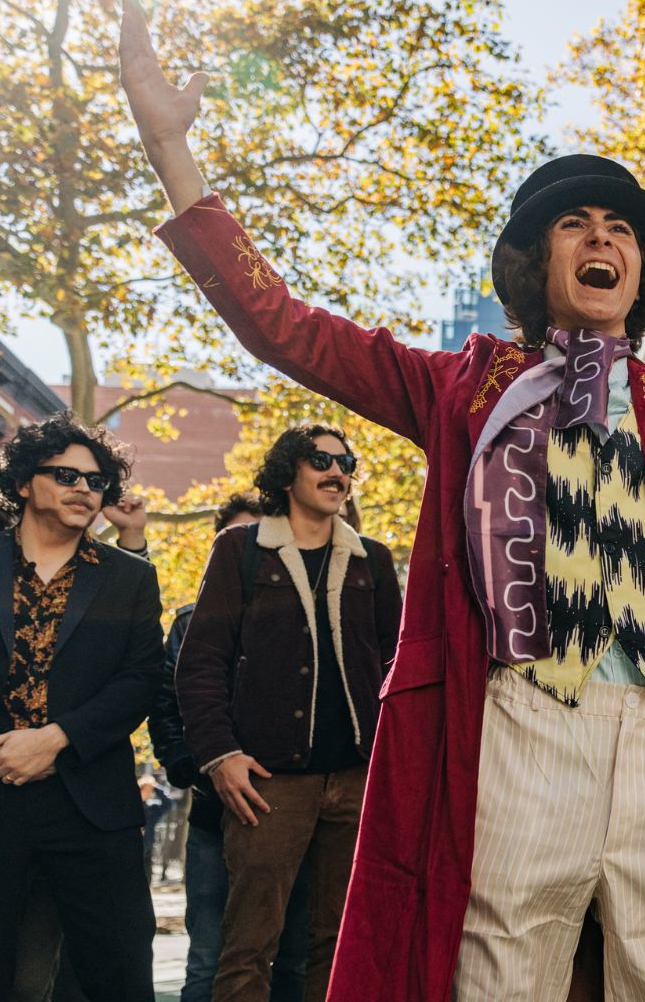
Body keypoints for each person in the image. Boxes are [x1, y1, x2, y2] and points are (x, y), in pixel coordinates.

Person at [123, 0, 645, 997]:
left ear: (640, 270)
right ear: (541, 262)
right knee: (501, 977)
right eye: (573, 223)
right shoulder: (457, 386)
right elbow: (285, 327)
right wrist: (170, 150)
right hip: (522, 723)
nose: (598, 236)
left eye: (617, 226)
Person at [0, 414, 163, 1001]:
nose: (84, 490)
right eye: (67, 475)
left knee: (119, 974)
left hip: (89, 800)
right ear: (23, 483)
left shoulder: (131, 578)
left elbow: (139, 680)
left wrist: (56, 739)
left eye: (96, 482)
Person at [178, 427, 400, 1002]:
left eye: (345, 462)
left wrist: (390, 765)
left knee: (338, 943)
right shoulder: (241, 550)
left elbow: (396, 664)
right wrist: (220, 757)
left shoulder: (371, 560)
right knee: (249, 947)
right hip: (268, 783)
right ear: (286, 473)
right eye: (320, 459)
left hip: (354, 780)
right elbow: (200, 663)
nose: (336, 472)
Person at [148, 491, 313, 1002]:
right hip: (213, 821)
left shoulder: (316, 625)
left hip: (304, 818)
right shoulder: (187, 621)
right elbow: (167, 706)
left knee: (296, 962)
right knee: (208, 963)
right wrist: (197, 769)